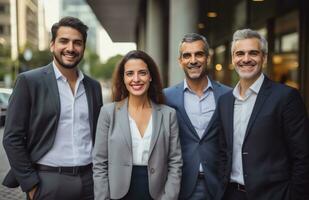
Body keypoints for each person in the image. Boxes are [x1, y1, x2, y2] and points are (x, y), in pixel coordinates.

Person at [2, 16, 103, 200]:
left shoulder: (93, 87)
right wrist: (31, 184)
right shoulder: (29, 82)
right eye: (64, 41)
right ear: (52, 45)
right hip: (48, 181)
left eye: (77, 43)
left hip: (90, 181)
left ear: (83, 48)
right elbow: (12, 137)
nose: (70, 48)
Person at [217, 28, 309, 200]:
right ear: (232, 59)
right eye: (240, 53)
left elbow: (302, 157)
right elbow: (223, 152)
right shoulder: (225, 101)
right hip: (231, 194)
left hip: (274, 195)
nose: (246, 59)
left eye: (253, 53)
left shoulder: (286, 97)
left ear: (264, 58)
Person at [93, 50, 182, 200]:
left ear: (150, 76)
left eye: (142, 73)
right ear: (123, 78)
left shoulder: (168, 114)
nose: (136, 79)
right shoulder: (108, 113)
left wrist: (169, 197)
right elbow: (99, 163)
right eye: (129, 73)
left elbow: (175, 162)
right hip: (117, 194)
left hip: (157, 194)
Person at [163, 33, 231, 200]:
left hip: (220, 186)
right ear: (180, 61)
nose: (193, 60)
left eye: (199, 54)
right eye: (187, 55)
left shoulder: (227, 95)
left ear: (207, 58)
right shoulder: (166, 97)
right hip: (182, 185)